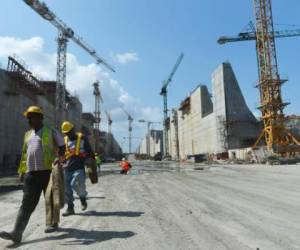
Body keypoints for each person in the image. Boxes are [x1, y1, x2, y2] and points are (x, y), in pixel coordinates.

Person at [0, 106, 65, 244]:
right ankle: (17, 233)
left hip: (48, 171)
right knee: (26, 204)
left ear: (41, 117)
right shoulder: (27, 134)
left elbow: (62, 145)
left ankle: (52, 223)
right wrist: (22, 171)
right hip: (31, 174)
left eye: (33, 117)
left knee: (51, 199)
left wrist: (59, 158)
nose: (30, 120)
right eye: (28, 117)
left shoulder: (50, 131)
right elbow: (24, 154)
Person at [61, 121, 93, 216]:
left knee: (76, 184)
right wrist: (60, 161)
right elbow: (62, 153)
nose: (68, 134)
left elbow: (90, 152)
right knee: (67, 189)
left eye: (69, 132)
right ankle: (70, 208)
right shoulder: (65, 140)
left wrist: (91, 163)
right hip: (67, 168)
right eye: (66, 133)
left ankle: (83, 198)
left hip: (79, 166)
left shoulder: (82, 138)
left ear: (73, 129)